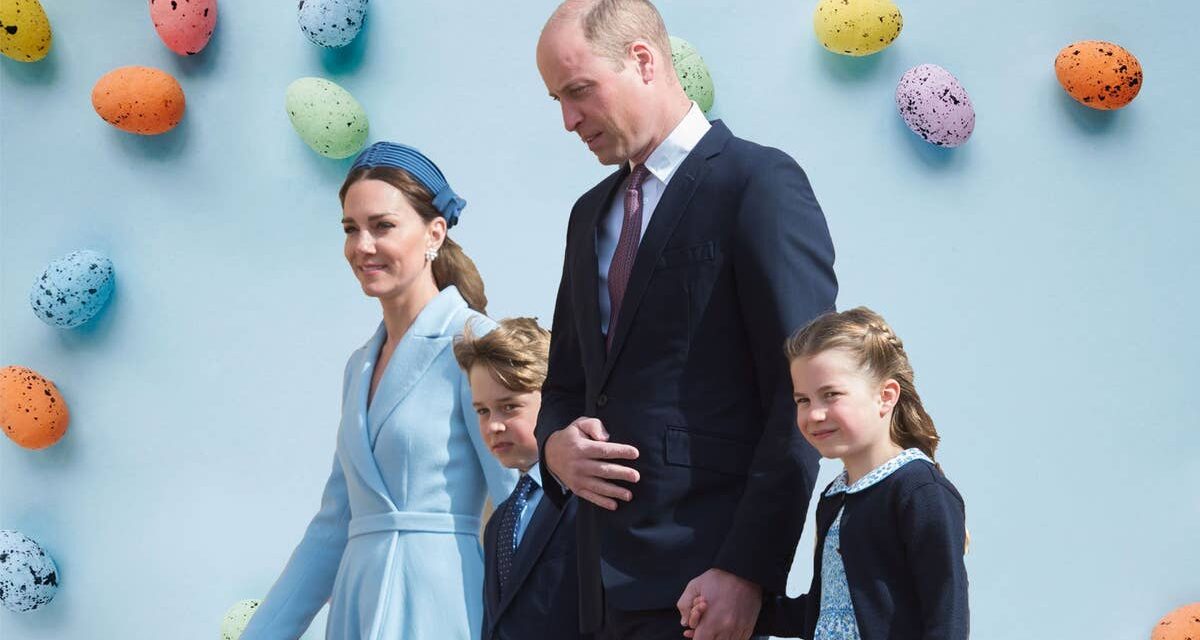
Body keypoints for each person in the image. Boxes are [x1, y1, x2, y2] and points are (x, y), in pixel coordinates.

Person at [532, 1, 838, 638]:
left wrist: (747, 571)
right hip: (593, 591)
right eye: (557, 99)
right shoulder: (588, 215)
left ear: (643, 60)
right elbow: (564, 388)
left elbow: (800, 397)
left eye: (579, 91)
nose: (567, 120)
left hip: (706, 588)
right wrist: (555, 448)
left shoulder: (759, 184)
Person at [240, 142, 518, 640]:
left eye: (383, 226)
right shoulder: (359, 366)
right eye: (351, 229)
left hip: (442, 604)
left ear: (435, 233)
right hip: (358, 607)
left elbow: (519, 502)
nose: (362, 245)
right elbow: (332, 527)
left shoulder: (475, 343)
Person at [685, 307, 970, 640]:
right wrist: (735, 610)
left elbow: (945, 613)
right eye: (802, 400)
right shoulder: (835, 497)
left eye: (831, 395)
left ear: (886, 396)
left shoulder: (919, 490)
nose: (814, 414)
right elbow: (828, 608)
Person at [454, 317, 587, 640]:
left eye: (509, 407)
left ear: (553, 400)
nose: (492, 426)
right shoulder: (500, 521)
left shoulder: (586, 498)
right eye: (482, 411)